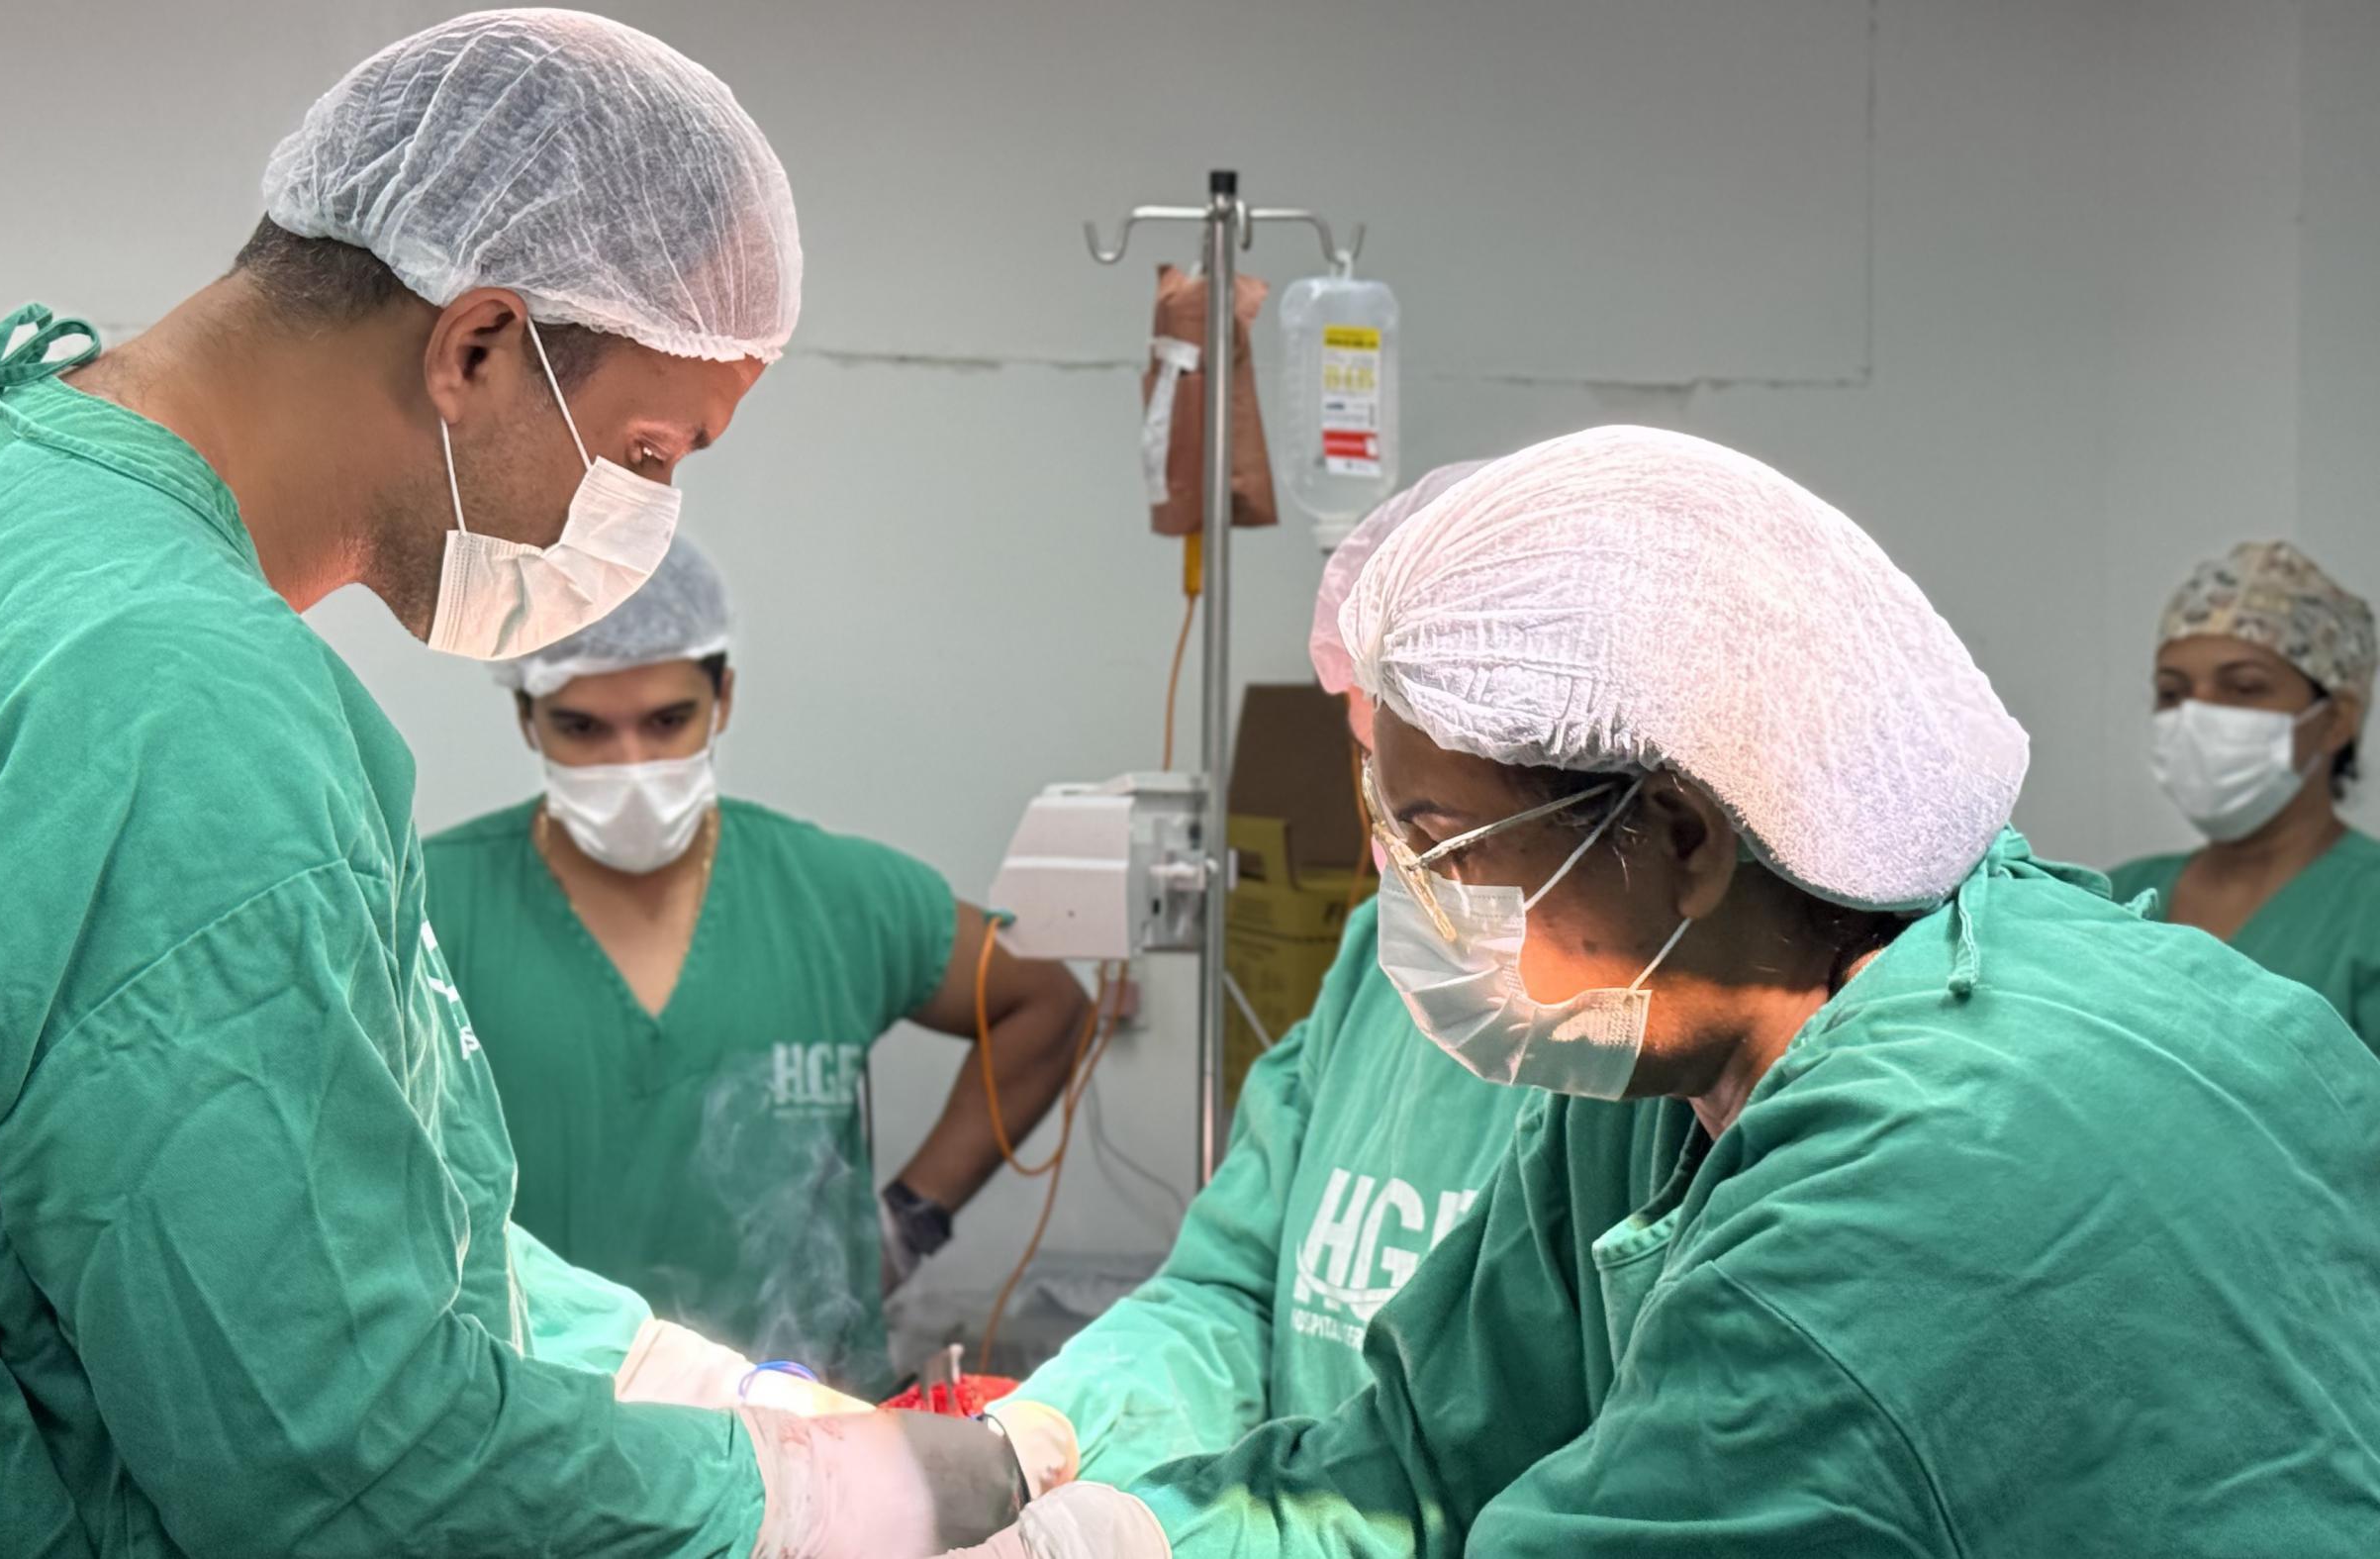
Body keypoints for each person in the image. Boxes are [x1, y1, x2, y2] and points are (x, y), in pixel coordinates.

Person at [0, 13, 1022, 1558]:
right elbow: (346, 1454)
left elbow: (285, 1226)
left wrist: (664, 1369)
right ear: (476, 346)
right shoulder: (183, 704)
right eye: (649, 448)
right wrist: (827, 1495)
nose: (649, 516)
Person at [950, 426, 2380, 1556]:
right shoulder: (1659, 1055)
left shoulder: (1944, 1171)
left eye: (1445, 844)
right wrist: (1110, 1530)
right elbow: (1425, 1464)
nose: (1415, 902)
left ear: (1683, 835)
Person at [980, 461, 1639, 1496]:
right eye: (1368, 765)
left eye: (1439, 809)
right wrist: (1034, 1444)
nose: (1395, 838)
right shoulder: (1380, 969)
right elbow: (1232, 1297)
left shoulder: (1651, 1063)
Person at [424, 536, 1094, 1394]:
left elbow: (1046, 1004)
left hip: (812, 1428)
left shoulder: (834, 896)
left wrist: (909, 1223)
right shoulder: (433, 905)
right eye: (583, 727)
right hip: (548, 1425)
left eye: (667, 721)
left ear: (723, 697)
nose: (630, 766)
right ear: (526, 717)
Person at [2109, 540, 2377, 1050]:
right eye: (2172, 693)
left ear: (2337, 719)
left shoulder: (2366, 912)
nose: (2195, 717)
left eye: (2245, 688)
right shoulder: (2115, 897)